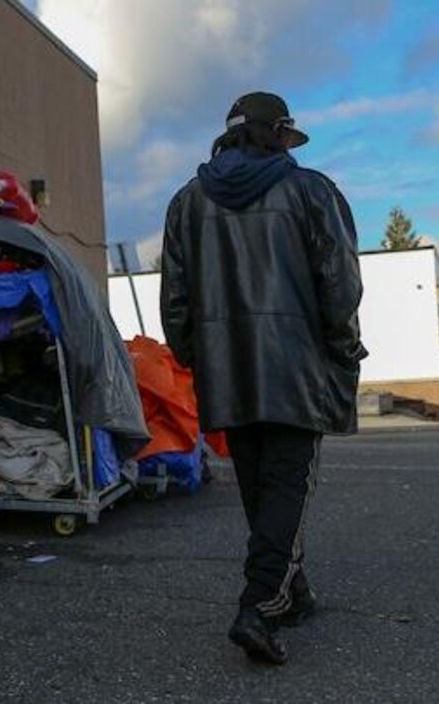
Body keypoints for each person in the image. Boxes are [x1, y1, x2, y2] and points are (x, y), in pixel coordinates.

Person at [160, 91, 367, 665]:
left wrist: (196, 357)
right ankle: (260, 602)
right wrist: (344, 348)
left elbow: (175, 300)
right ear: (275, 132)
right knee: (287, 487)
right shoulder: (310, 190)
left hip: (226, 370)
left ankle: (291, 590)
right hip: (297, 366)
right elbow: (339, 281)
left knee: (260, 487)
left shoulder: (185, 202)